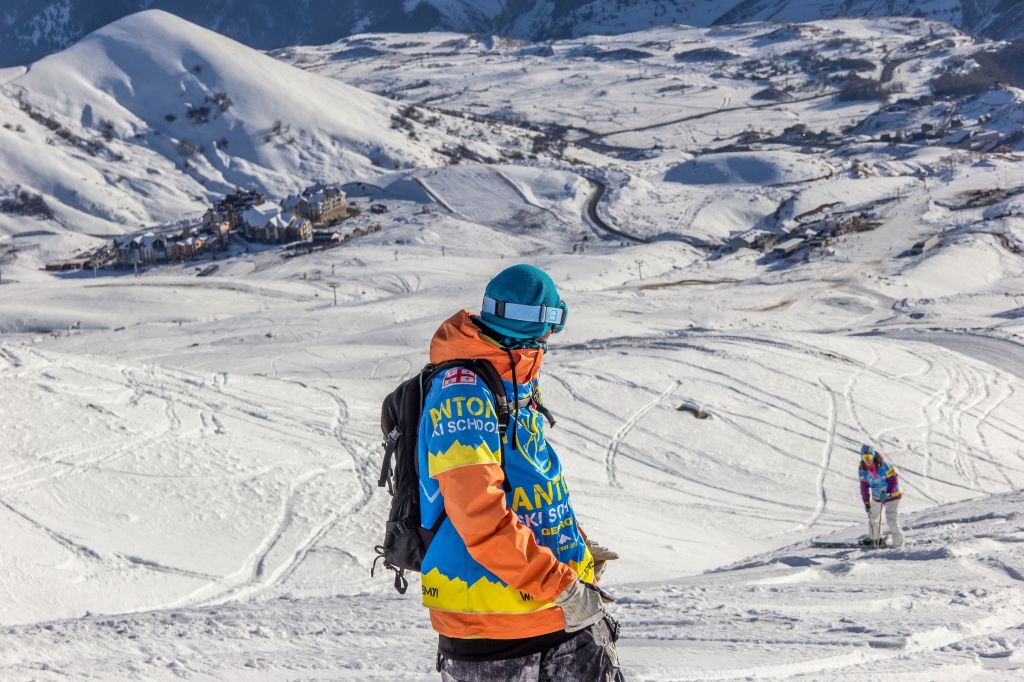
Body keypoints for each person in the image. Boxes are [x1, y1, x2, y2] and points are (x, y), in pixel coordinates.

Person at [417, 264, 624, 681]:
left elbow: (529, 486)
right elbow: (479, 514)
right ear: (543, 324)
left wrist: (573, 548)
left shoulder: (512, 382)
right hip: (505, 633)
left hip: (551, 617)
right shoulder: (464, 392)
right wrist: (560, 584)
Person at [858, 444, 905, 548]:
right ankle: (875, 538)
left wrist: (888, 493)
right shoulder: (862, 470)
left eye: (869, 457)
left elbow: (893, 481)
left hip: (892, 495)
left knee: (891, 520)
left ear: (873, 456)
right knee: (872, 516)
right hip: (877, 496)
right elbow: (864, 487)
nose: (867, 460)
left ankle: (898, 544)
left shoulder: (884, 465)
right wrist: (866, 501)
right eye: (865, 457)